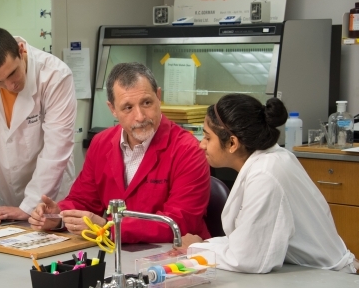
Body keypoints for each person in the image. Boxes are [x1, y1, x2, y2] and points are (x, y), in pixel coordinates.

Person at [29, 62, 211, 243]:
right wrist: (57, 215)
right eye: (128, 107)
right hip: (118, 252)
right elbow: (83, 200)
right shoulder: (101, 143)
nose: (140, 116)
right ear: (112, 109)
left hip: (175, 257)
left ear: (158, 96)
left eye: (146, 103)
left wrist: (109, 227)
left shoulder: (188, 150)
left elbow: (178, 222)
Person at [181, 94, 357, 273]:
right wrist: (204, 244)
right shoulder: (271, 159)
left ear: (232, 143)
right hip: (303, 271)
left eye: (208, 138)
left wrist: (197, 249)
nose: (201, 145)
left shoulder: (265, 175)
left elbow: (248, 259)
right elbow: (248, 239)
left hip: (323, 278)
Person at [0, 27, 77, 226]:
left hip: (49, 195)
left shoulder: (55, 75)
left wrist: (29, 206)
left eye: (13, 74)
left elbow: (57, 148)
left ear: (21, 50)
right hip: (2, 197)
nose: (10, 85)